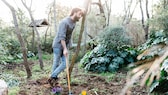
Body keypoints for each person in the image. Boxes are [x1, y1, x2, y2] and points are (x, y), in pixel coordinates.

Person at [48, 7, 85, 87]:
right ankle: (53, 79)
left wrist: (68, 46)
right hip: (58, 45)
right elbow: (62, 37)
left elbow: (69, 35)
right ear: (74, 12)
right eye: (79, 14)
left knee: (65, 63)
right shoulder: (64, 22)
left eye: (81, 15)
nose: (80, 16)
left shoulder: (74, 22)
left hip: (65, 45)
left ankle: (52, 77)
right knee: (56, 63)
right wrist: (65, 49)